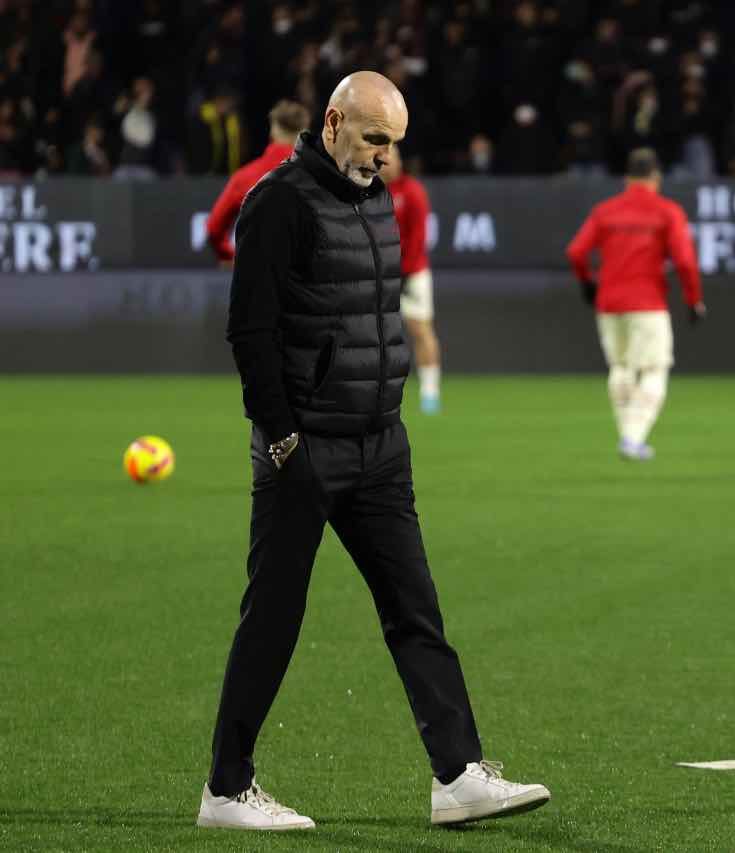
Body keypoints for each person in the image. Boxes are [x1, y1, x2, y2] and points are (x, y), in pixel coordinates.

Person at [199, 71, 550, 831]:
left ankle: (457, 775)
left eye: (393, 143)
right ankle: (226, 790)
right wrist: (283, 439)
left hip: (380, 447)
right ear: (332, 124)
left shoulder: (377, 197)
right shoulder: (278, 202)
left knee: (415, 609)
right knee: (274, 618)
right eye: (373, 139)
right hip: (305, 449)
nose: (384, 155)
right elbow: (250, 333)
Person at [565, 148, 705, 461]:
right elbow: (685, 261)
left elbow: (576, 252)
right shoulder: (667, 211)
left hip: (609, 303)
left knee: (620, 368)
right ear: (656, 178)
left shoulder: (605, 211)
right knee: (654, 369)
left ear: (626, 179)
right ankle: (632, 439)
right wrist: (694, 300)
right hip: (647, 303)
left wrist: (587, 283)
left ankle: (629, 437)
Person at [205, 99, 310, 265]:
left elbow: (213, 228)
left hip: (258, 271)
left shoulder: (244, 177)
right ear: (305, 132)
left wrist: (231, 256)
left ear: (273, 130)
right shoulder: (321, 176)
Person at [383, 142, 442, 413]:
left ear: (399, 162)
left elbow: (419, 237)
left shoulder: (412, 191)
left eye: (391, 157)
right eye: (383, 158)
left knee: (420, 329)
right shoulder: (371, 192)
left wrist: (405, 272)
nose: (386, 162)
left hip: (412, 273)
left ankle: (430, 392)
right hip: (381, 274)